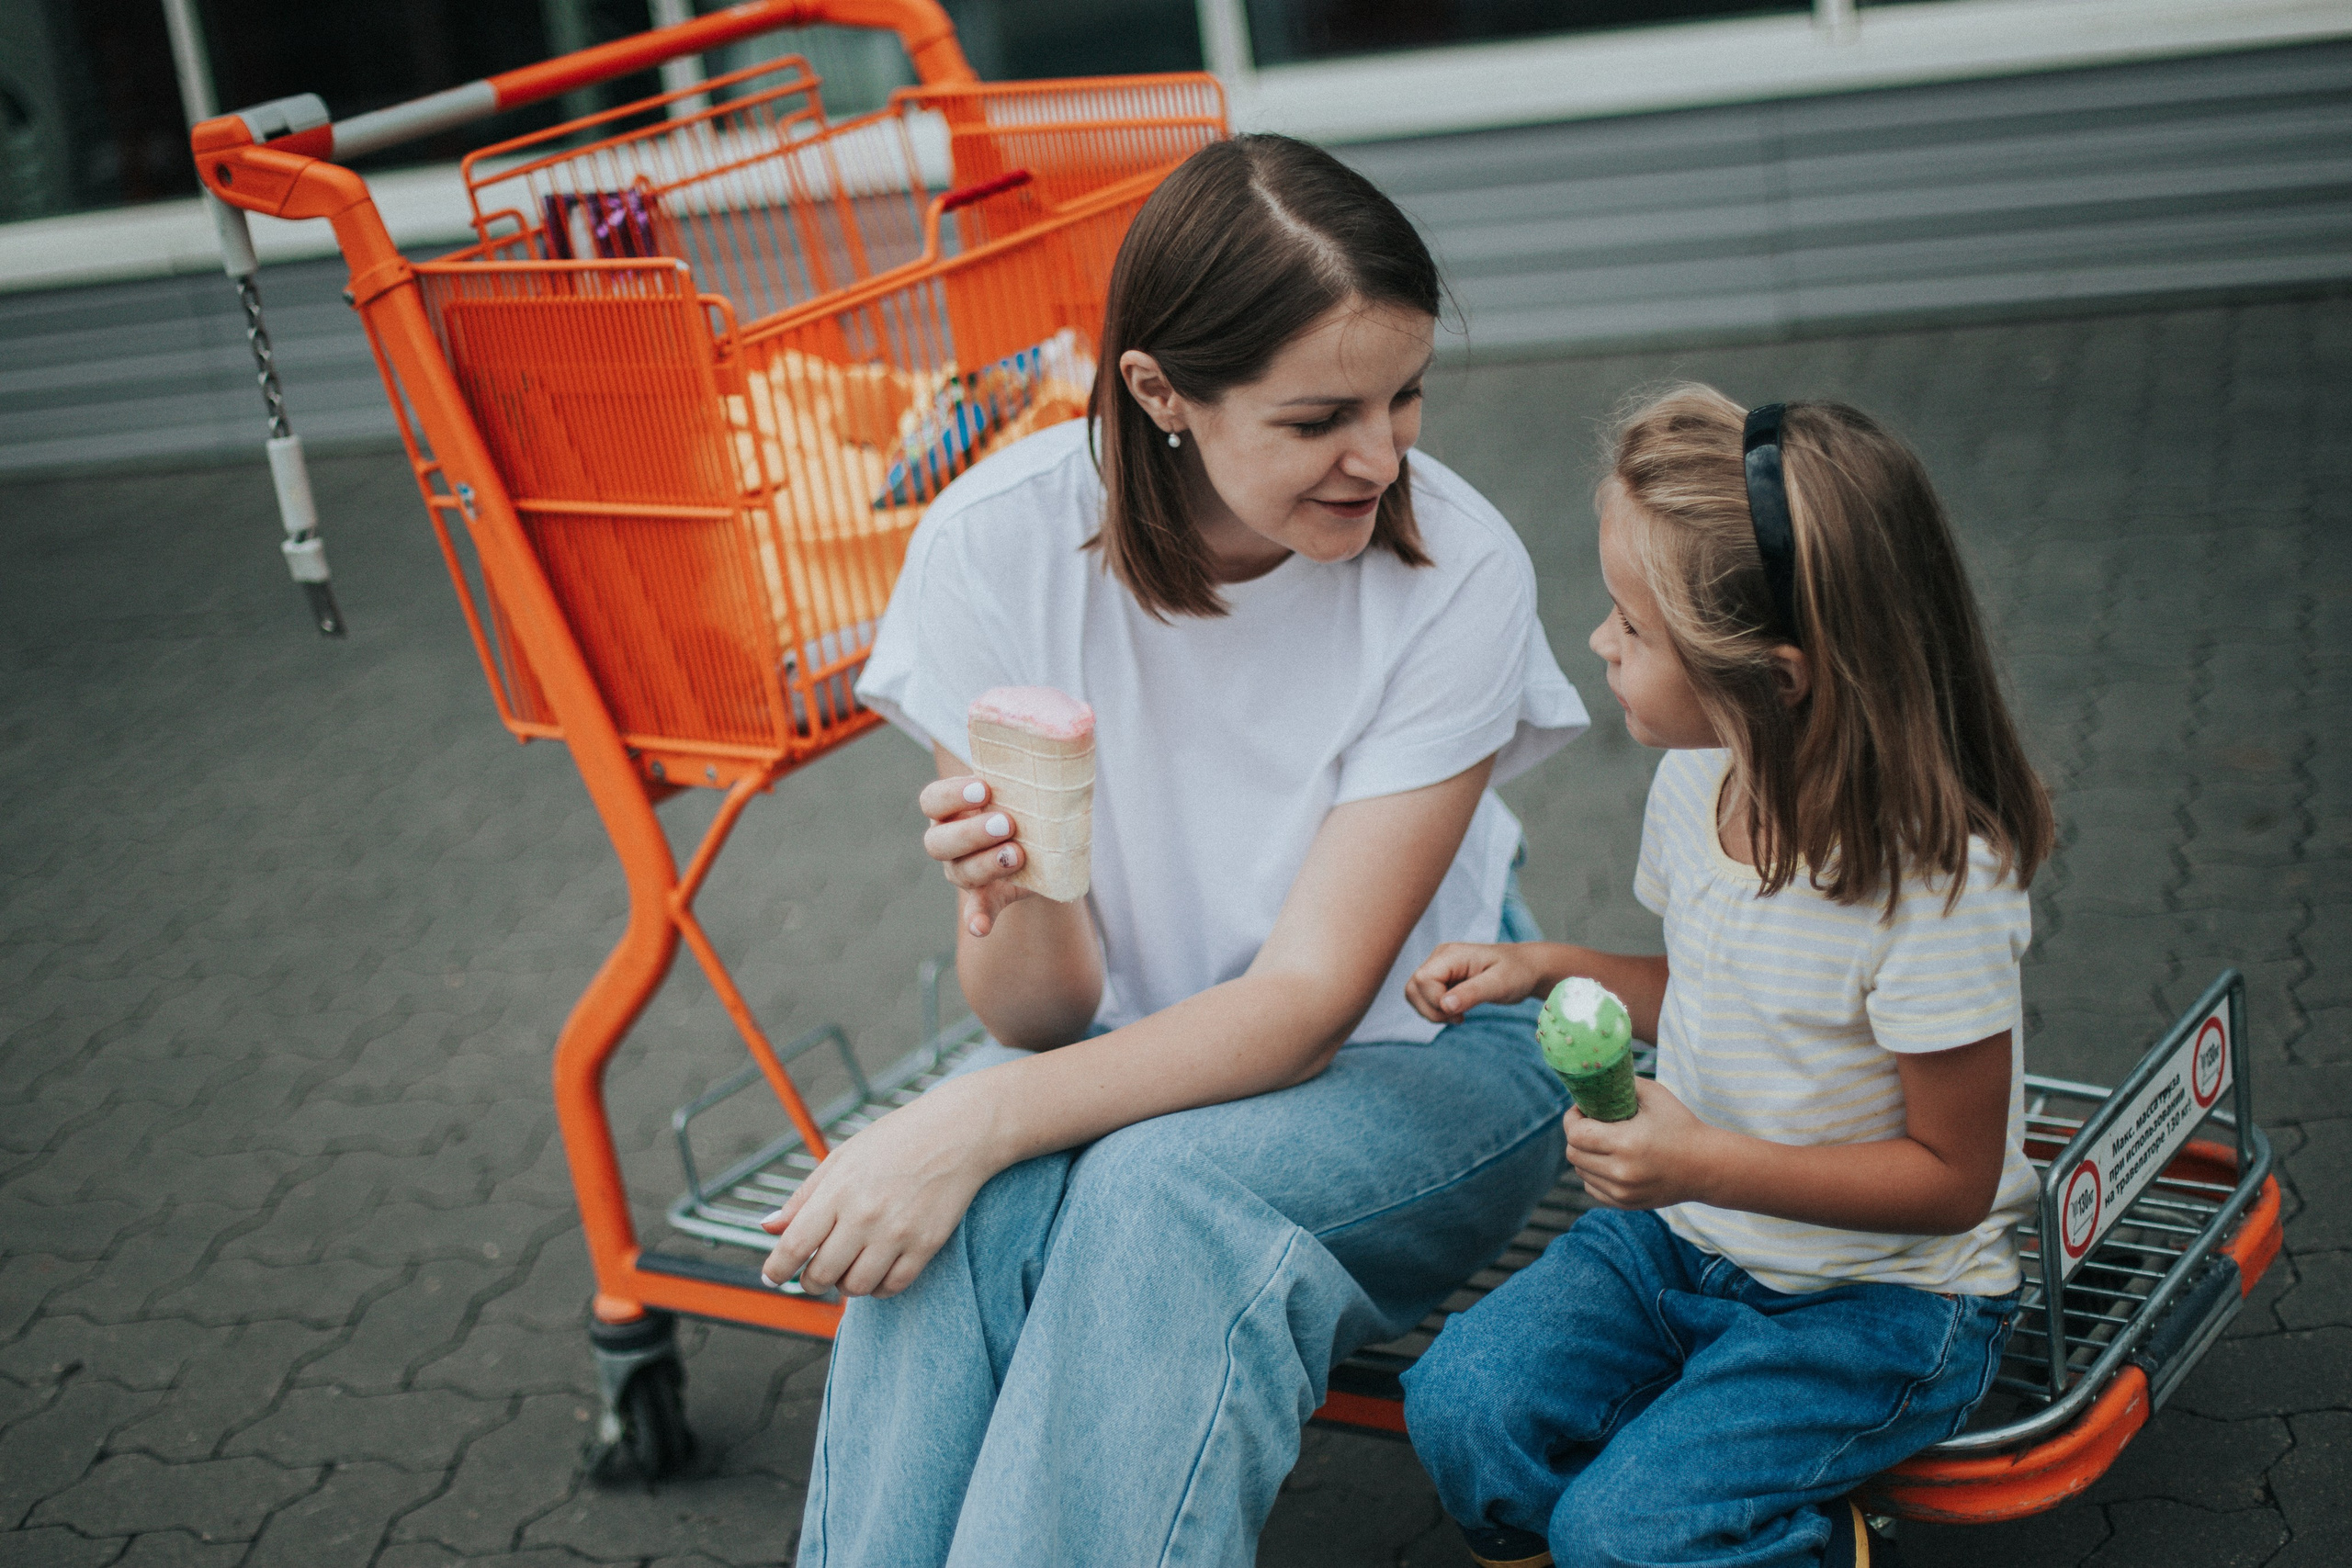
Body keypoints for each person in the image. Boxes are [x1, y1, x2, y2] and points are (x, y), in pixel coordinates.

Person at [756, 134, 1589, 1566]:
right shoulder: (995, 550)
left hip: (1426, 1060)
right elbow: (1041, 1017)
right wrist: (1010, 895)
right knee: (976, 1208)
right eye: (1322, 414)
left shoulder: (1456, 568)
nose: (1381, 458)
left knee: (1137, 1193)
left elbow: (1309, 1002)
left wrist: (964, 1119)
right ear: (1158, 392)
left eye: (1405, 398)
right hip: (1126, 1051)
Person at [1398, 384, 2053, 1568]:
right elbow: (1708, 989)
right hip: (1682, 1241)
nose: (1600, 641)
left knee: (1626, 1533)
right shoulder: (1702, 782)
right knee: (1462, 1411)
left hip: (1879, 1303)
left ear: (1776, 676)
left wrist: (1699, 1160)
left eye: (1633, 629)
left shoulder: (1935, 886)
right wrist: (1543, 967)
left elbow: (1954, 1181)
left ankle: (1756, 1536)